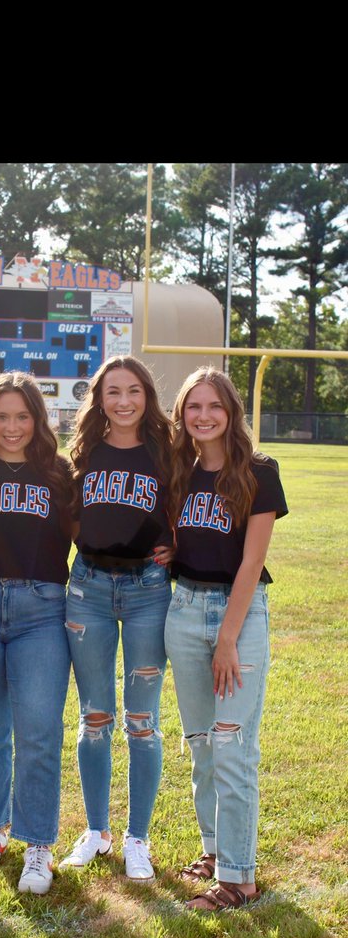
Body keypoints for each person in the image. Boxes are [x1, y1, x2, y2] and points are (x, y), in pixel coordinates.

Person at [160, 366, 288, 910]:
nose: (204, 416)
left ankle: (239, 879)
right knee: (202, 747)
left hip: (238, 615)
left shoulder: (259, 471)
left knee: (234, 748)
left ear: (231, 411)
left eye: (214, 406)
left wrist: (229, 639)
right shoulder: (179, 473)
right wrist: (168, 552)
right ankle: (215, 853)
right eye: (194, 406)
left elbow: (250, 561)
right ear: (182, 414)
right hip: (184, 609)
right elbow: (184, 541)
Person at [0, 371, 73, 895]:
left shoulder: (58, 472)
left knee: (38, 731)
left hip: (41, 609)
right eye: (1, 416)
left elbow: (91, 533)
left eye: (22, 416)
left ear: (37, 419)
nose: (11, 426)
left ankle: (38, 845)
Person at [61, 355, 174, 881]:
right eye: (113, 392)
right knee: (94, 718)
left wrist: (175, 545)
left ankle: (138, 838)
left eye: (133, 391)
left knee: (142, 722)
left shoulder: (168, 453)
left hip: (148, 591)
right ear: (99, 398)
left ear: (147, 396)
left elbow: (184, 512)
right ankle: (97, 831)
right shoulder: (83, 451)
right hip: (88, 588)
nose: (124, 401)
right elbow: (70, 517)